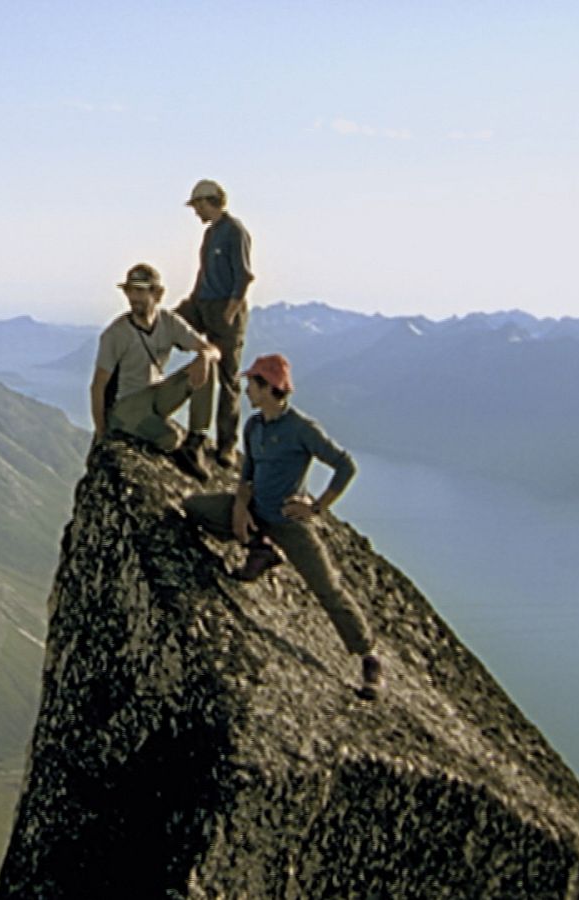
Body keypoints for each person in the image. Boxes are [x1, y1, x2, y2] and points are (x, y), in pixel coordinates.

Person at [181, 353, 384, 700]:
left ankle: (369, 658)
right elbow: (246, 475)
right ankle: (260, 547)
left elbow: (345, 466)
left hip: (289, 521)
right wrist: (241, 508)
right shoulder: (254, 426)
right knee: (193, 507)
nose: (246, 390)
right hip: (256, 510)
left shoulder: (301, 429)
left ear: (269, 388)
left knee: (327, 587)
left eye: (252, 384)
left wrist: (316, 507)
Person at [92, 263, 220, 481]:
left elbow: (213, 350)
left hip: (156, 394)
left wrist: (205, 357)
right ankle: (147, 434)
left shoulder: (168, 322)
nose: (134, 297)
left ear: (157, 294)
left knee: (208, 366)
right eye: (130, 291)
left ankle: (196, 440)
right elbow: (98, 385)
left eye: (140, 291)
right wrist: (102, 432)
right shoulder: (116, 334)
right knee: (170, 438)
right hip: (127, 404)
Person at [175, 179, 253, 470]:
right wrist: (192, 302)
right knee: (163, 326)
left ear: (211, 201)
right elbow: (204, 272)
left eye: (198, 205)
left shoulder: (235, 231)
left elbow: (243, 276)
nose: (196, 212)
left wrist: (230, 313)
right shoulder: (210, 234)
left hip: (224, 309)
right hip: (202, 303)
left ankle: (226, 447)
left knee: (228, 378)